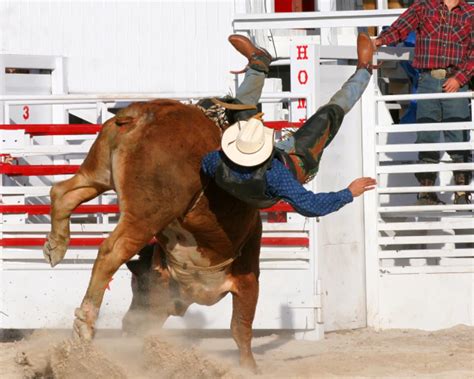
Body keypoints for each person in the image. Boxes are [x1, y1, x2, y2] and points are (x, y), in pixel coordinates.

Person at [200, 33, 376, 218]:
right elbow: (310, 205)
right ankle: (364, 70)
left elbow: (202, 166)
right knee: (329, 115)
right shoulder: (275, 175)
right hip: (297, 159)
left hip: (260, 169)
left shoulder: (215, 161)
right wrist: (349, 192)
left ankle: (259, 63)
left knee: (239, 107)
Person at [374, 0, 473, 205]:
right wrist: (379, 41)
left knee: (459, 137)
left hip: (456, 81)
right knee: (426, 136)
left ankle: (462, 192)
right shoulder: (423, 6)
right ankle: (427, 191)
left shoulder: (470, 12)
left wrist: (460, 78)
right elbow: (400, 28)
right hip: (428, 79)